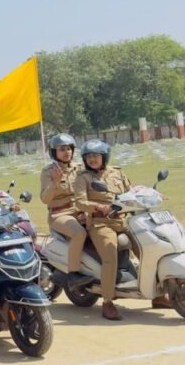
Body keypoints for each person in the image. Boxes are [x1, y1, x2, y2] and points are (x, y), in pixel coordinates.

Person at [73, 140, 139, 320]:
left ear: (104, 156)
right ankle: (108, 302)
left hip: (122, 220)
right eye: (88, 156)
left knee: (146, 246)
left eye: (96, 155)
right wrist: (98, 207)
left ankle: (157, 293)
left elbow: (131, 192)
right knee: (110, 256)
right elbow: (80, 202)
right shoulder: (83, 177)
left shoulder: (117, 173)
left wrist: (148, 195)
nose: (92, 159)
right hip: (100, 223)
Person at [41, 134, 89, 288]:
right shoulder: (48, 171)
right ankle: (73, 274)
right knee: (79, 233)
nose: (67, 152)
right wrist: (55, 182)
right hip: (59, 214)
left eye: (69, 148)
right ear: (54, 152)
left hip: (80, 210)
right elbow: (45, 199)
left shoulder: (79, 168)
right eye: (62, 149)